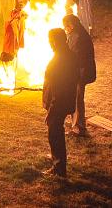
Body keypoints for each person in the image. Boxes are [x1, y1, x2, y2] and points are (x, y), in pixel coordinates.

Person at [42, 28, 80, 178]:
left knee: (55, 132)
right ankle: (56, 157)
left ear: (54, 41)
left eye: (50, 40)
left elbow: (59, 86)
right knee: (56, 130)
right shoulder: (69, 55)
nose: (49, 43)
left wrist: (52, 106)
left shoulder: (60, 59)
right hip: (65, 100)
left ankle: (59, 167)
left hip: (59, 102)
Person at [63, 14, 96, 137]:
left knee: (77, 98)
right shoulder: (77, 33)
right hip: (78, 71)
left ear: (71, 24)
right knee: (74, 97)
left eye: (66, 26)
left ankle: (79, 126)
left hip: (80, 72)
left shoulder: (78, 36)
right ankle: (75, 122)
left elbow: (75, 55)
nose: (66, 28)